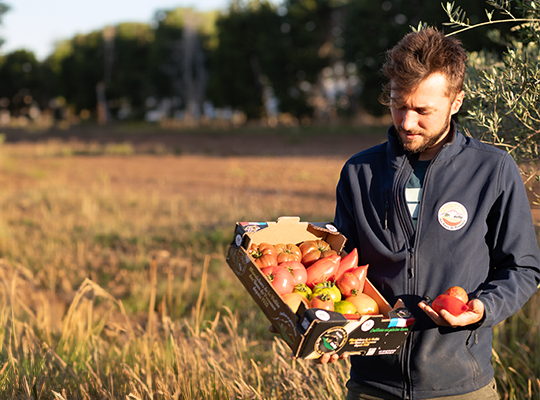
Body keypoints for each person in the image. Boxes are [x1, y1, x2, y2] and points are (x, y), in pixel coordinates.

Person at [329, 27, 540, 400]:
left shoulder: (492, 170)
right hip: (371, 386)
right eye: (397, 104)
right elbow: (340, 269)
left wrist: (482, 308)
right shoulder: (358, 172)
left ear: (456, 101)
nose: (406, 122)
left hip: (461, 386)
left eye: (422, 110)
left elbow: (522, 268)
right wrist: (327, 325)